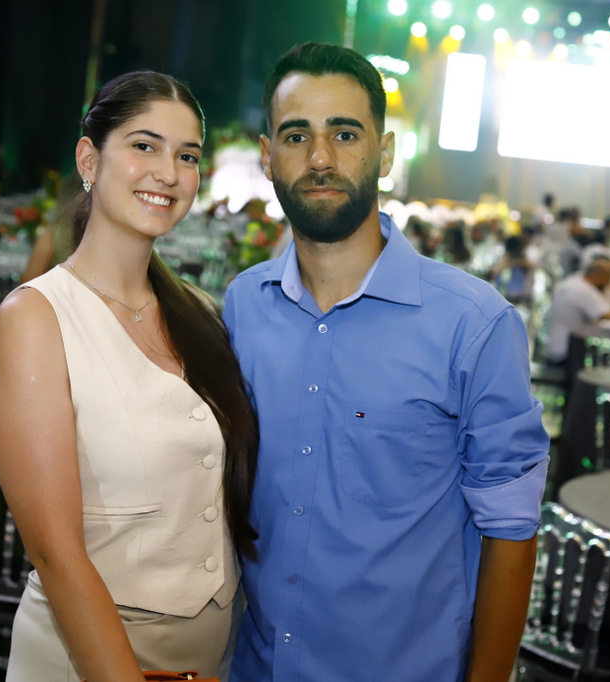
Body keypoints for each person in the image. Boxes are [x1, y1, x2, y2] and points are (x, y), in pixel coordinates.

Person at [222, 42, 549, 682]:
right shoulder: (244, 305)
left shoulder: (473, 324)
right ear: (267, 156)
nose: (320, 158)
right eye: (296, 136)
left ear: (385, 153)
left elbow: (511, 531)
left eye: (345, 134)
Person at [0, 71, 258, 682]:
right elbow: (54, 551)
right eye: (144, 146)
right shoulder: (37, 317)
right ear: (89, 159)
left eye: (187, 156)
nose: (168, 172)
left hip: (213, 654)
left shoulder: (200, 312)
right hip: (89, 655)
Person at [545, 250, 610, 368]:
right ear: (602, 275)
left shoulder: (573, 281)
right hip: (566, 355)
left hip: (556, 348)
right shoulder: (583, 290)